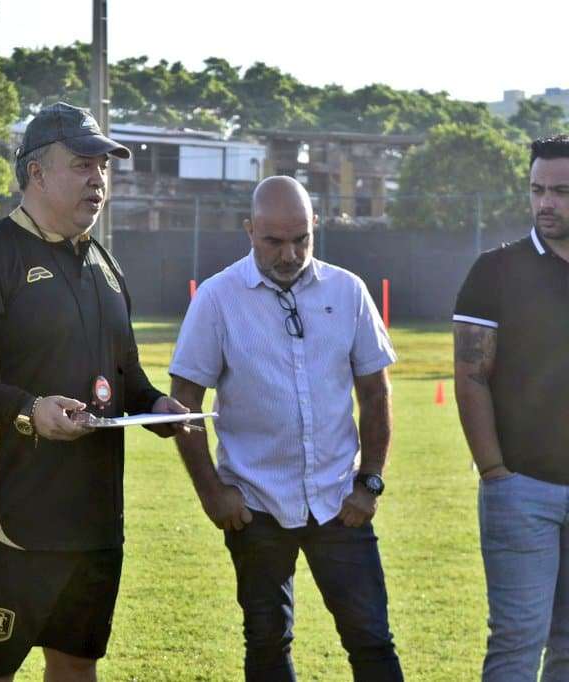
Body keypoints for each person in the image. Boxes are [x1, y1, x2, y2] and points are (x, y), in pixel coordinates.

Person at [0, 101, 186, 681]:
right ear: (36, 172)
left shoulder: (105, 265)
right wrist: (27, 411)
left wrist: (156, 407)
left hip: (93, 518)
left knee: (76, 664)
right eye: (83, 163)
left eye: (104, 165)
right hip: (11, 521)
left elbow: (127, 378)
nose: (98, 177)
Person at [169, 176, 403, 681]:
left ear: (314, 227)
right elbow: (184, 403)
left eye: (301, 239)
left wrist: (371, 482)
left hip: (340, 501)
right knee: (268, 641)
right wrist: (213, 493)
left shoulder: (348, 291)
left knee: (371, 638)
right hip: (255, 505)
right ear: (249, 230)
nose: (289, 253)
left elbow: (376, 394)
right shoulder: (217, 298)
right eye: (273, 241)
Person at [453, 133, 569, 681]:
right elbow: (471, 376)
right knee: (518, 641)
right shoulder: (495, 270)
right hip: (522, 488)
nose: (547, 203)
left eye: (562, 191)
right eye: (537, 190)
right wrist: (495, 472)